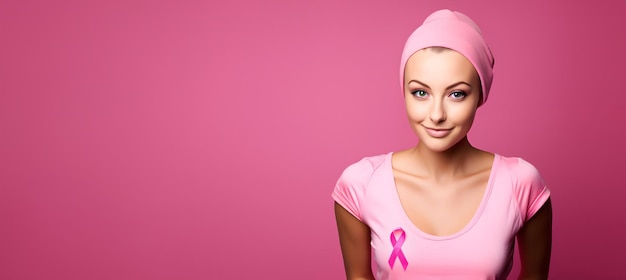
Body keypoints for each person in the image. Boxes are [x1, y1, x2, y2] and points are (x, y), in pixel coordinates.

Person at [332, 9, 552, 280]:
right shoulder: (361, 185)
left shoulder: (521, 184)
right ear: (404, 91)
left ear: (480, 95)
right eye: (420, 92)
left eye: (456, 94)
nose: (437, 114)